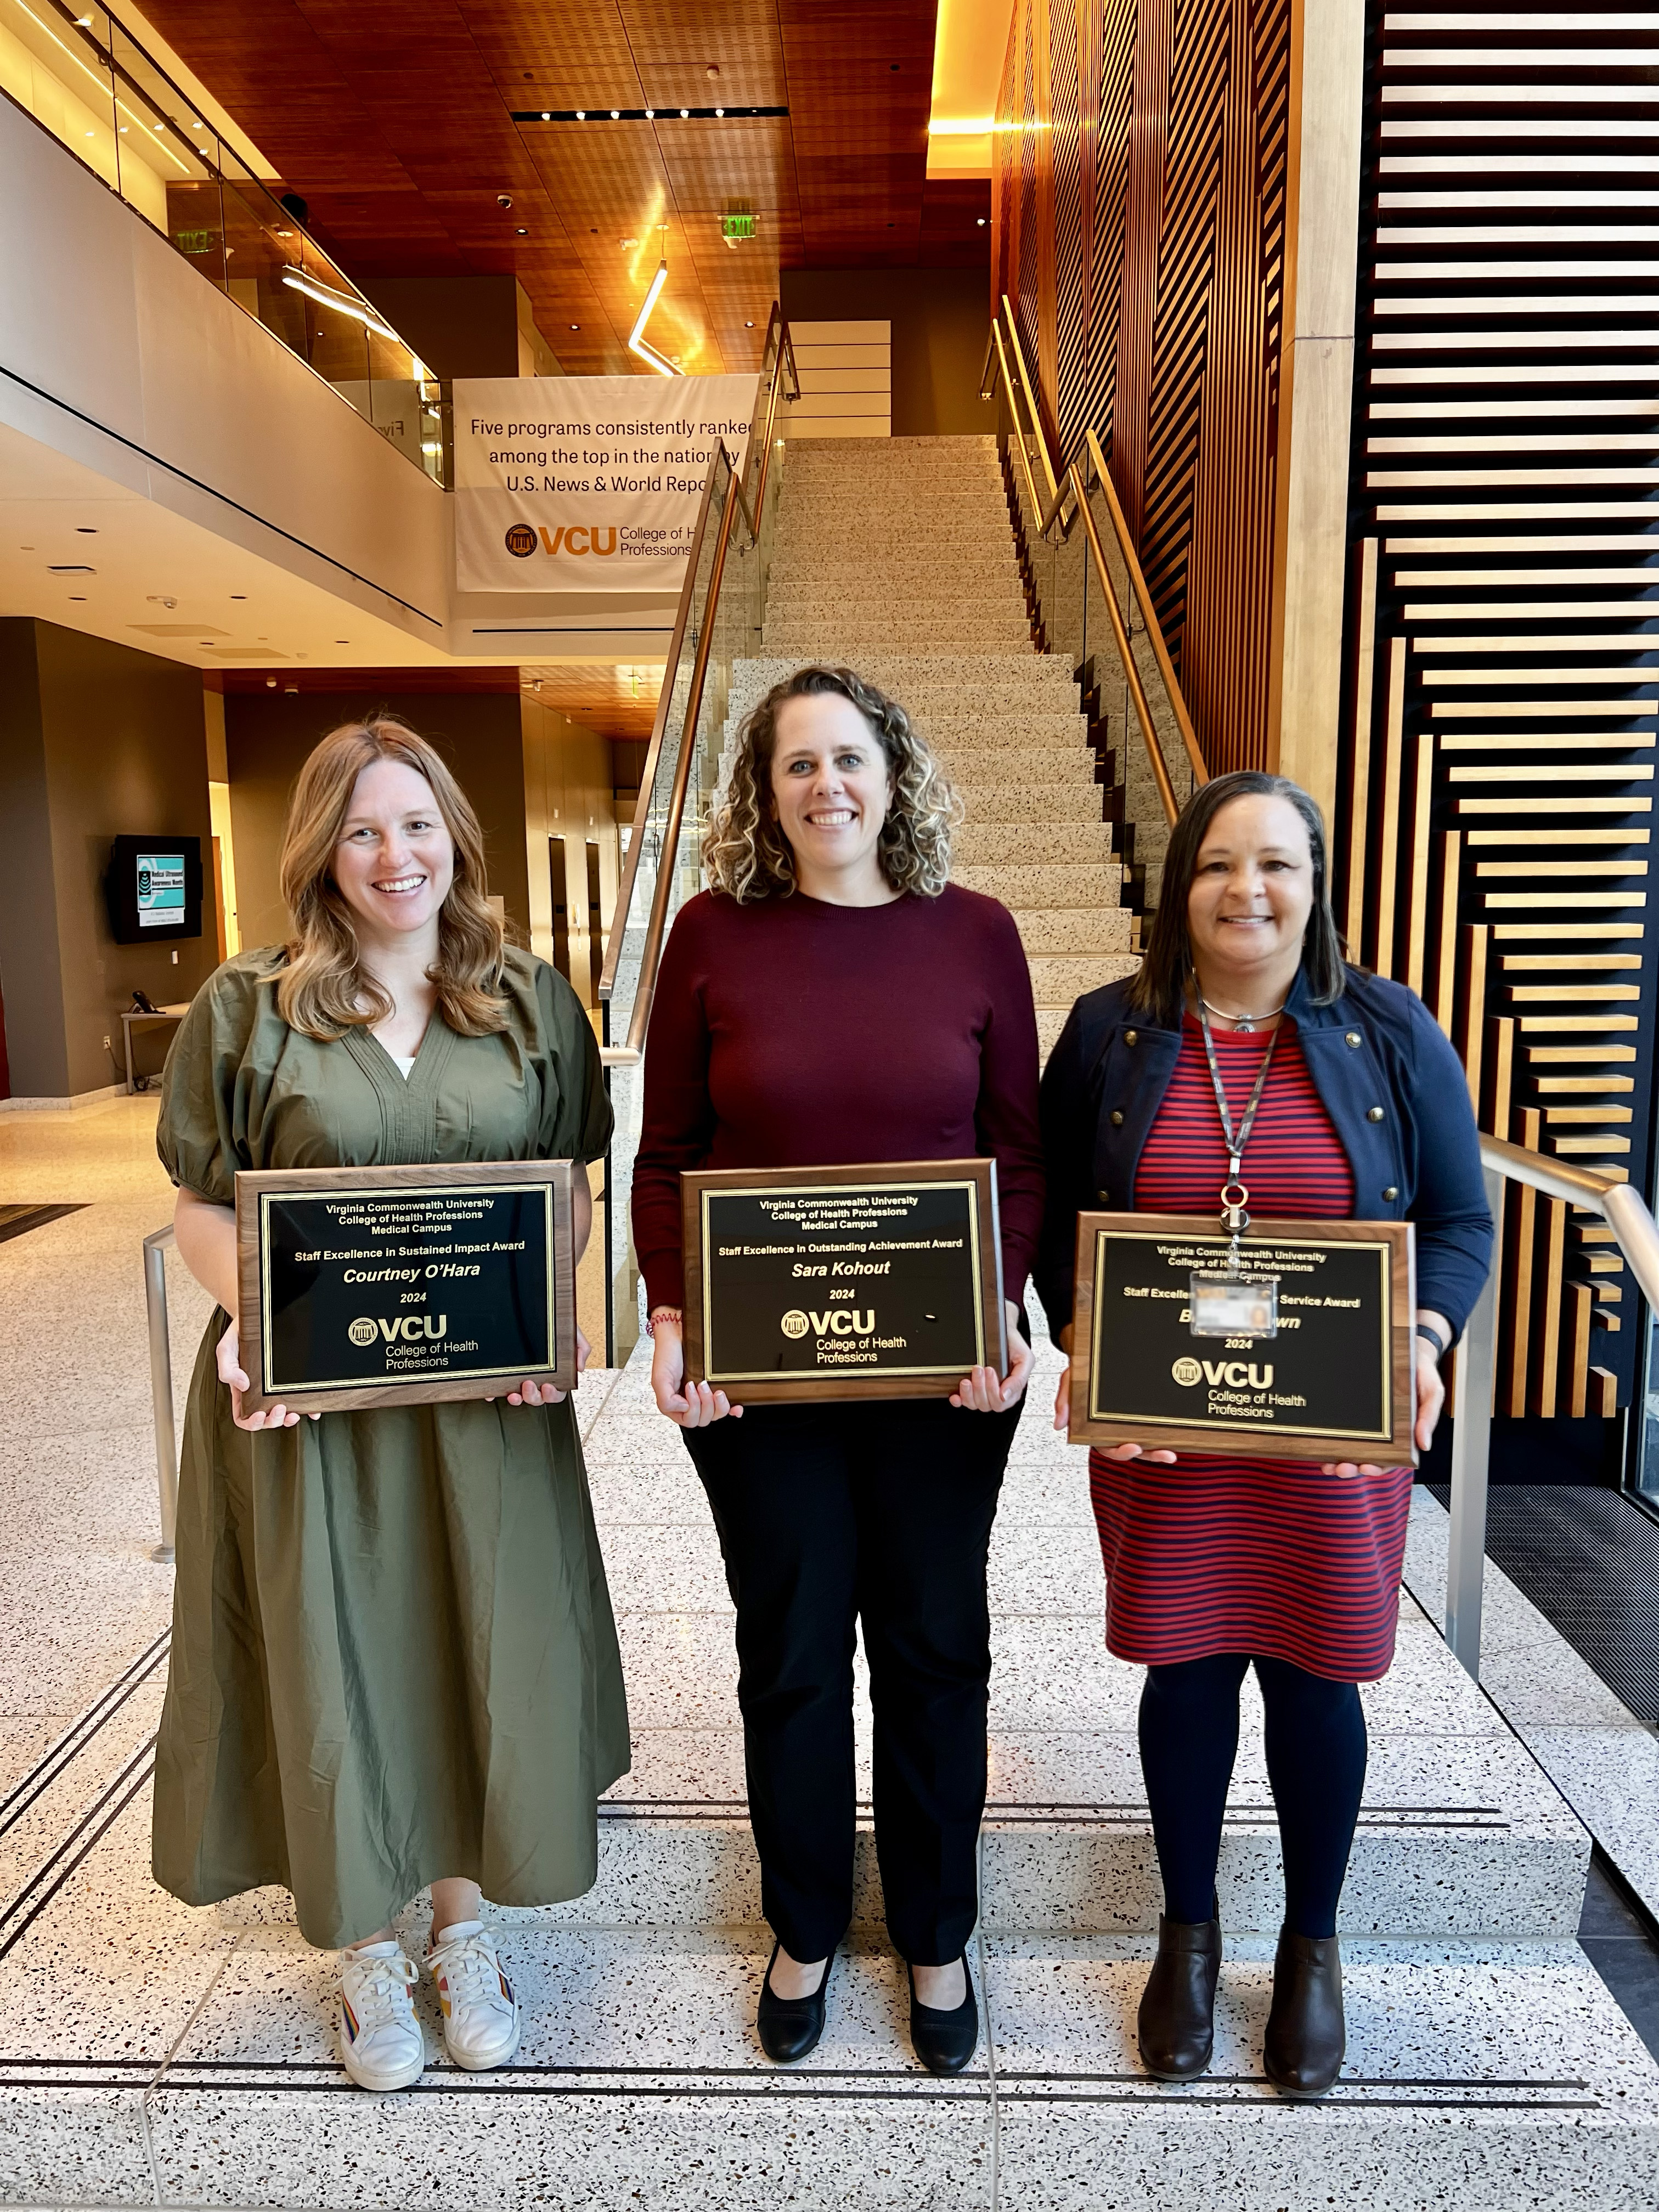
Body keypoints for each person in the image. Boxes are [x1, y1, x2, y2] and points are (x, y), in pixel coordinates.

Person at [153, 715, 627, 2094]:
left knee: (472, 1632)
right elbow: (197, 1203)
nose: (393, 855)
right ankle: (367, 1947)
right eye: (361, 829)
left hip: (484, 1405)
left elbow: (568, 1186)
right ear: (321, 849)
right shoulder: (249, 1007)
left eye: (416, 825)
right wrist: (253, 1322)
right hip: (312, 1411)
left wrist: (552, 1311)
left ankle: (464, 1927)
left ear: (456, 839)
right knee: (334, 1644)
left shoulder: (531, 999)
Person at [1036, 769, 1492, 2098]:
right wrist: (1086, 1354)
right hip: (1168, 1444)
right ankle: (1187, 1936)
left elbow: (1460, 1224)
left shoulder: (1392, 1032)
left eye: (1278, 864)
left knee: (1314, 1679)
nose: (1249, 890)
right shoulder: (1111, 1035)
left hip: (1325, 1444)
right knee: (1184, 1676)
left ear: (1315, 884)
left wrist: (1420, 1341)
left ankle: (1311, 1945)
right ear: (1182, 886)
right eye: (1220, 864)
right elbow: (1056, 1218)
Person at [631, 664, 1042, 2074]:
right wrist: (676, 1315)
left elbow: (1019, 1155)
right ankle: (804, 1924)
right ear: (764, 792)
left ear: (894, 772)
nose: (827, 786)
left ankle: (935, 1932)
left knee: (935, 1648)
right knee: (794, 1654)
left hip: (940, 1379)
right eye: (796, 765)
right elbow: (667, 1158)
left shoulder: (976, 933)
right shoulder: (709, 935)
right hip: (766, 1385)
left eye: (849, 757)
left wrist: (1001, 1307)